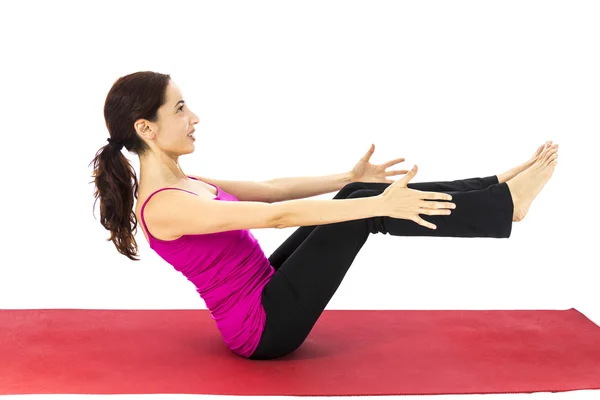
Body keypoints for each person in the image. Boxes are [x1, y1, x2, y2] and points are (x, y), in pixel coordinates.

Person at [90, 71, 559, 360]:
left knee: (359, 194)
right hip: (263, 329)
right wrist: (377, 205)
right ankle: (505, 206)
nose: (194, 117)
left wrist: (349, 178)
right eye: (180, 108)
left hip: (266, 289)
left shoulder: (183, 181)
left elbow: (273, 192)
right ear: (145, 128)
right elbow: (273, 219)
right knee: (361, 210)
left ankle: (494, 190)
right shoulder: (166, 204)